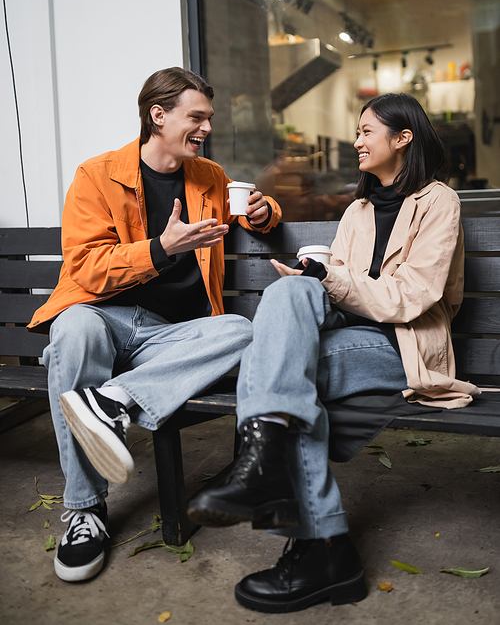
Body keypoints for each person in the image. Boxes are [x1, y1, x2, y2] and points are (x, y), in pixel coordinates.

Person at [188, 92, 480, 614]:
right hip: (349, 335)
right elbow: (338, 291)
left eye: (367, 131)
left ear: (403, 137)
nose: (356, 141)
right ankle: (319, 543)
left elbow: (413, 297)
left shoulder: (439, 202)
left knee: (278, 369)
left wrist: (330, 279)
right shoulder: (358, 210)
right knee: (287, 294)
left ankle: (297, 514)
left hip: (401, 346)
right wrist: (314, 282)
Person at [28, 67, 281, 583]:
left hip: (171, 339)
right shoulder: (96, 175)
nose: (207, 127)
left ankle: (110, 402)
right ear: (158, 115)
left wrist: (263, 211)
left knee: (240, 329)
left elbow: (252, 213)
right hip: (106, 319)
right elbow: (87, 269)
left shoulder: (207, 176)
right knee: (71, 334)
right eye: (198, 117)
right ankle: (84, 511)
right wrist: (161, 250)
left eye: (208, 118)